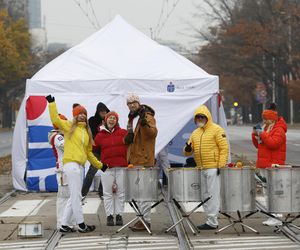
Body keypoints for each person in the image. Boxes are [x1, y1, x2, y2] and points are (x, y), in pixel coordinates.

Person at [46, 95, 108, 233]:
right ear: (74, 116)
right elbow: (55, 119)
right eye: (79, 114)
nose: (82, 116)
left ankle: (64, 224)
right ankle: (81, 224)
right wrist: (52, 103)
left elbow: (89, 154)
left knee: (74, 196)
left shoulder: (86, 132)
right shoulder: (68, 126)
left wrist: (100, 165)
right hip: (71, 164)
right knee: (76, 196)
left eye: (84, 114)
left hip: (80, 166)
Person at [184, 105, 229, 230]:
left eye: (202, 117)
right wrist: (187, 149)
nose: (200, 119)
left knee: (212, 194)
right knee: (204, 195)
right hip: (201, 168)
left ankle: (213, 221)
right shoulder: (195, 133)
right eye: (198, 117)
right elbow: (187, 151)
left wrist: (220, 165)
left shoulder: (217, 129)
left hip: (213, 168)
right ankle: (210, 219)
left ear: (207, 117)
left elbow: (224, 148)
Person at [125, 93, 158, 231]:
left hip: (143, 159)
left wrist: (144, 124)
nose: (132, 104)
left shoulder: (146, 116)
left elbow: (153, 133)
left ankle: (146, 221)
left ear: (139, 103)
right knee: (137, 193)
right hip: (134, 159)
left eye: (134, 102)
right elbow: (132, 138)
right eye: (129, 103)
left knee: (144, 193)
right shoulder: (131, 118)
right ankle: (141, 219)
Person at [94, 111, 132, 226]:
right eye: (110, 118)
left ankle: (119, 215)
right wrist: (101, 164)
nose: (111, 120)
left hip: (121, 167)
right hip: (107, 168)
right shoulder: (99, 135)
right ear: (105, 120)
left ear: (117, 121)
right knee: (107, 193)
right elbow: (94, 151)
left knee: (121, 193)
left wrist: (128, 162)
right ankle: (109, 216)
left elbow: (131, 145)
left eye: (114, 118)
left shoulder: (123, 133)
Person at [252, 102, 287, 227]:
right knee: (267, 191)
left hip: (274, 166)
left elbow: (273, 144)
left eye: (266, 119)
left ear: (272, 119)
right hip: (265, 164)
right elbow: (259, 145)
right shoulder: (267, 128)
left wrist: (262, 134)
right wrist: (255, 134)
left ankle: (277, 216)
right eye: (263, 119)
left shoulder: (279, 130)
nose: (264, 121)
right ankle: (271, 215)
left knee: (275, 191)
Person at [81, 102, 110, 200]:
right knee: (92, 171)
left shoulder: (110, 119)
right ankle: (83, 193)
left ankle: (102, 192)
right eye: (101, 111)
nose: (103, 113)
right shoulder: (92, 120)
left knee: (106, 170)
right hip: (96, 150)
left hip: (106, 149)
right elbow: (90, 134)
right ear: (98, 112)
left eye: (105, 111)